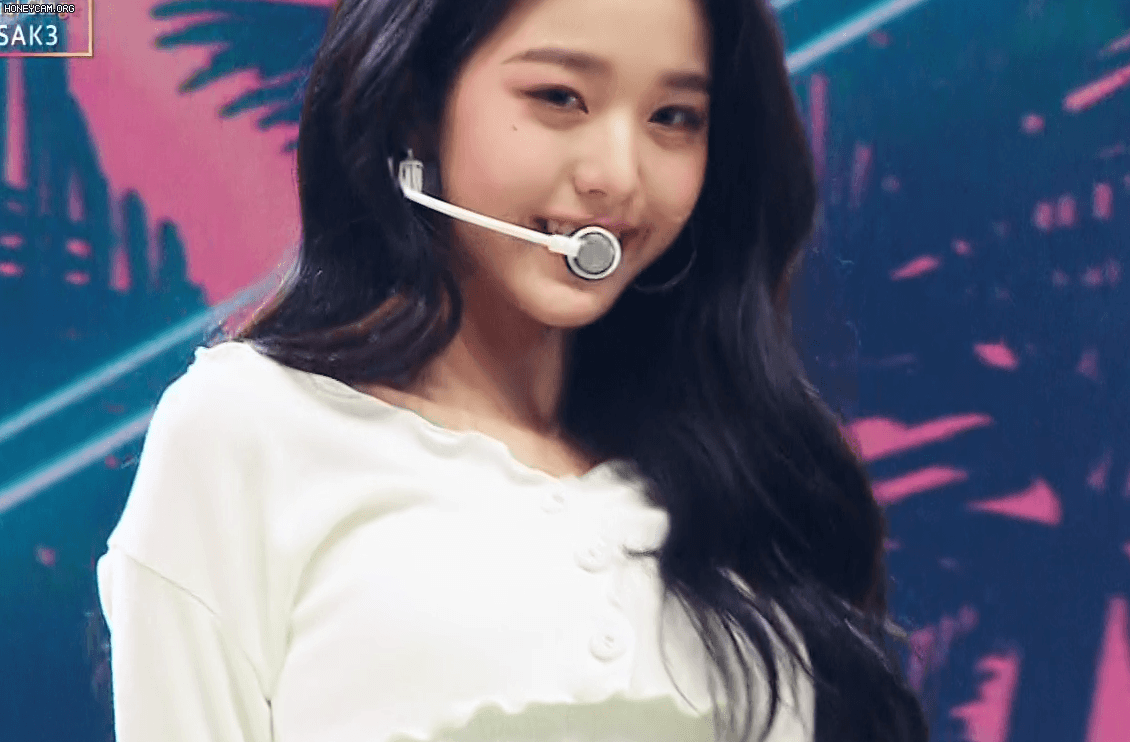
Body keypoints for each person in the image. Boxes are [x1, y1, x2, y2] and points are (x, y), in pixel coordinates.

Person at [94, 0, 930, 740]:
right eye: (560, 98)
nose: (618, 176)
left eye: (674, 117)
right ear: (417, 106)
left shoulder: (747, 471)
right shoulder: (249, 429)